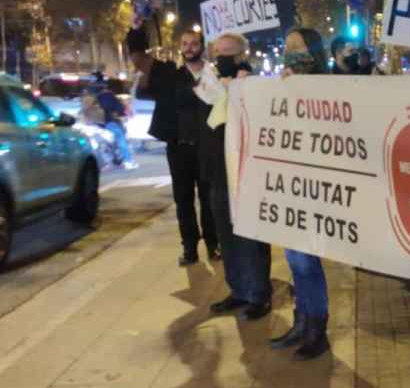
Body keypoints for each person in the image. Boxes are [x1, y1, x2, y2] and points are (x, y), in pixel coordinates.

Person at [127, 23, 219, 267]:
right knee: (183, 199)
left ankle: (213, 245)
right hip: (179, 148)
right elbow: (139, 59)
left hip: (206, 147)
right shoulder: (168, 72)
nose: (189, 48)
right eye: (185, 44)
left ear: (202, 47)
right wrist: (137, 29)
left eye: (194, 43)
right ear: (180, 47)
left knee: (210, 199)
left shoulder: (214, 75)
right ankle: (190, 249)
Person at [197, 32, 275, 322]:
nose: (220, 58)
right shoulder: (211, 85)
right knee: (227, 235)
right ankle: (238, 290)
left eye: (227, 53)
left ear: (242, 55)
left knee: (250, 235)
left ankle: (258, 293)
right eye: (217, 52)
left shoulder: (252, 85)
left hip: (245, 172)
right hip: (218, 170)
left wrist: (238, 88)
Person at [267, 27, 333, 361]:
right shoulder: (283, 84)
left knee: (307, 262)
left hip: (315, 188)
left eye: (299, 47)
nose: (291, 52)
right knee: (294, 259)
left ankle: (317, 330)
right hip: (289, 185)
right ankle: (301, 322)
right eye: (288, 47)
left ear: (314, 50)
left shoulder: (330, 86)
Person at [95, 81, 138, 170]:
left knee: (103, 143)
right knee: (121, 139)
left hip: (98, 123)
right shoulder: (110, 96)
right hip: (110, 122)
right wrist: (123, 113)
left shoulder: (97, 96)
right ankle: (128, 161)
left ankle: (107, 162)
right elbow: (119, 108)